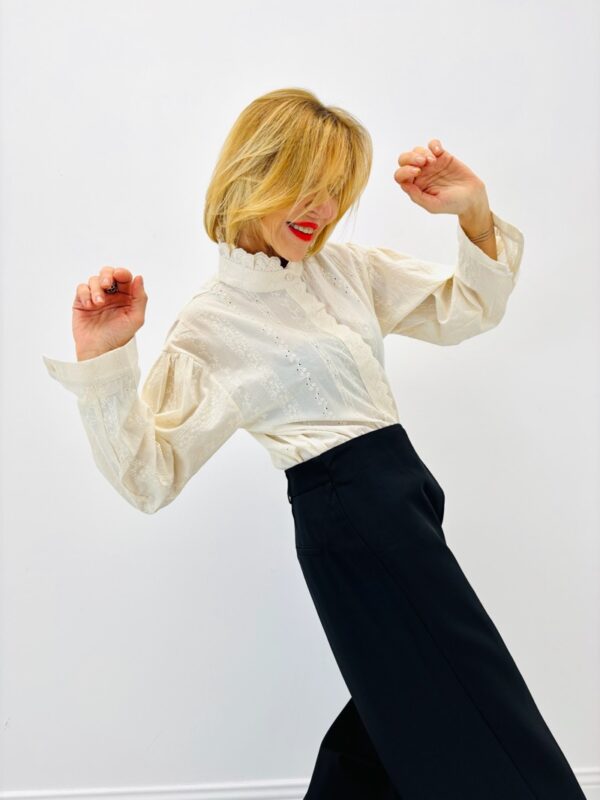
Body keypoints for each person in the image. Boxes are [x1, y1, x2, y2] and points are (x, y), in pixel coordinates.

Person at [42, 87, 585, 799]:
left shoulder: (346, 268)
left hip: (408, 505)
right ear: (254, 172)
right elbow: (149, 478)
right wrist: (105, 362)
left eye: (337, 191)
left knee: (399, 712)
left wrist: (474, 211)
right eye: (306, 183)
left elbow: (467, 309)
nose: (322, 209)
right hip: (352, 521)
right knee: (477, 704)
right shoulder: (211, 325)